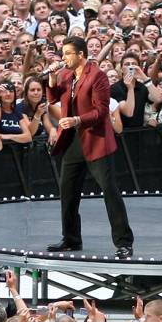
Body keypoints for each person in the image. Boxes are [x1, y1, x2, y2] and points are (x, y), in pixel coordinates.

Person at [45, 36, 134, 259]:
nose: (63, 57)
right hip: (73, 140)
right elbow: (54, 97)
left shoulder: (98, 76)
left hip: (96, 139)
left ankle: (124, 242)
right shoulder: (65, 74)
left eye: (67, 53)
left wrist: (76, 120)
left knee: (109, 191)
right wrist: (51, 77)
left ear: (80, 54)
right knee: (67, 189)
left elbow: (101, 111)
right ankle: (71, 239)